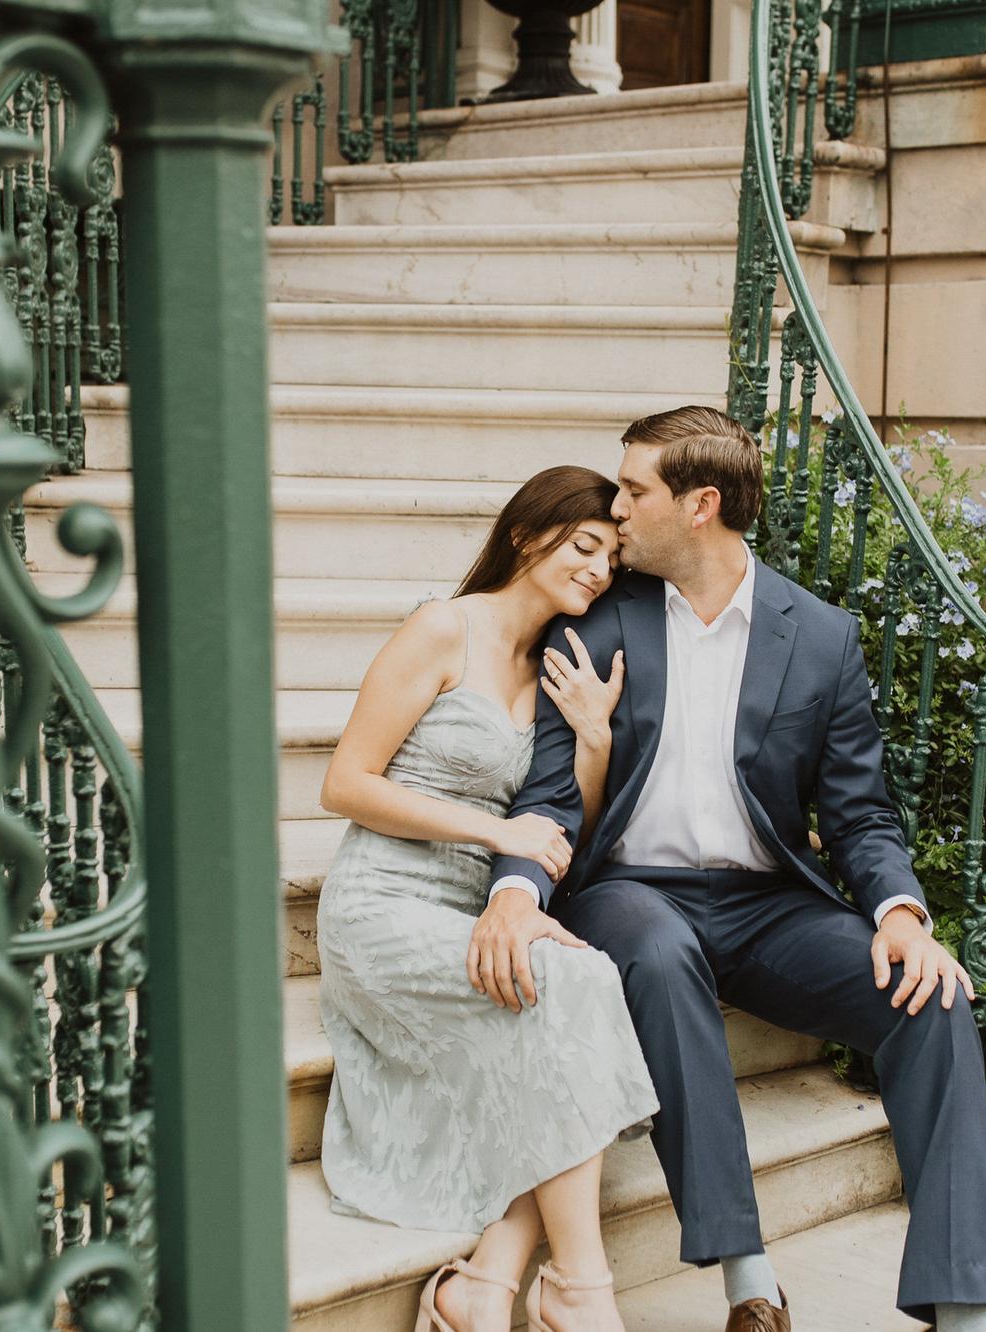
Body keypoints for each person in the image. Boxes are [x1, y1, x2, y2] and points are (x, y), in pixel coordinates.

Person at [477, 406, 986, 1332]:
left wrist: (900, 913)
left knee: (934, 999)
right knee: (659, 953)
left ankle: (965, 1310)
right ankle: (749, 1284)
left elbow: (859, 812)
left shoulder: (821, 637)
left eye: (634, 490)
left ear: (701, 506)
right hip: (633, 893)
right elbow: (551, 794)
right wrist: (517, 893)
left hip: (770, 907)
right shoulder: (598, 622)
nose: (616, 509)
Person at [316, 465, 659, 1332]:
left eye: (612, 558)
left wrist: (592, 739)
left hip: (471, 910)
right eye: (584, 546)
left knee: (579, 988)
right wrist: (492, 831)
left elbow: (561, 826)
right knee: (568, 1004)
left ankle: (487, 1285)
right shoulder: (443, 627)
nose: (599, 570)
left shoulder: (556, 667)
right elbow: (345, 783)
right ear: (525, 534)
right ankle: (580, 1289)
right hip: (382, 904)